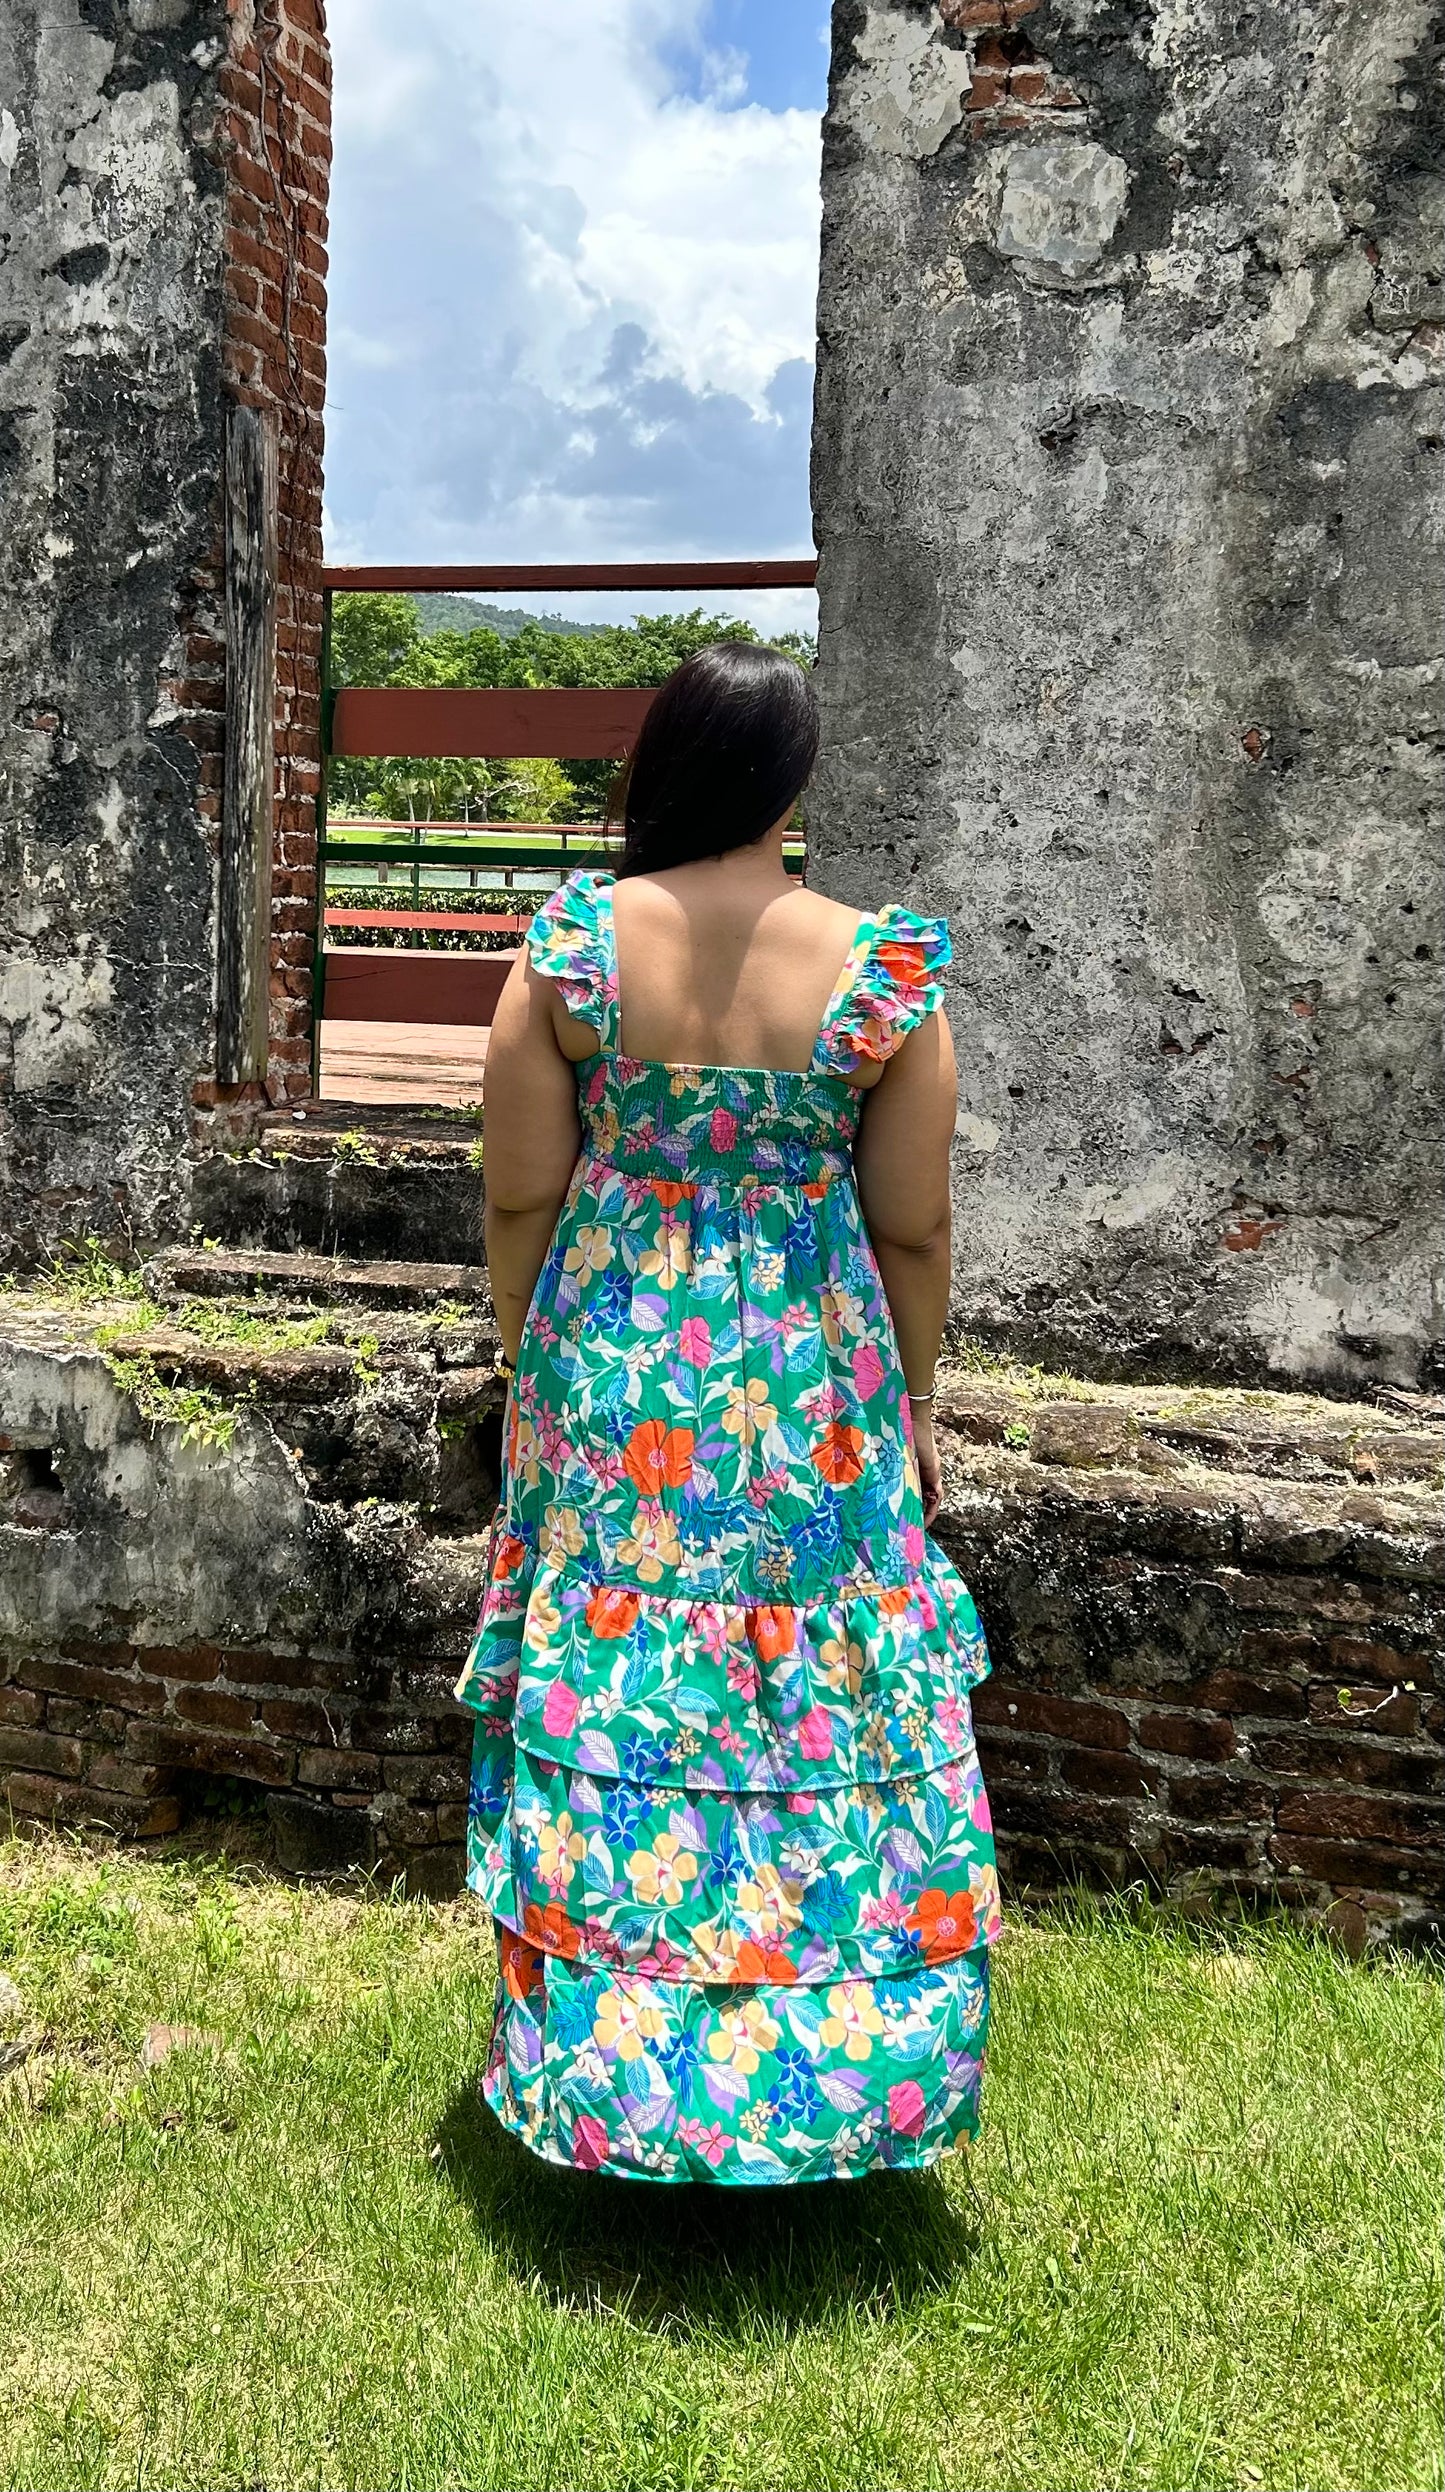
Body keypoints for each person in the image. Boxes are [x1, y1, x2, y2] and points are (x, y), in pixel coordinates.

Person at [456, 641, 1000, 2185]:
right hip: (815, 1382)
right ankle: (839, 2082)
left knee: (623, 1691)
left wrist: (530, 1369)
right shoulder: (880, 969)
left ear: (665, 764)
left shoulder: (573, 948)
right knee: (813, 1703)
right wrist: (909, 1405)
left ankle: (611, 2076)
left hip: (615, 1378)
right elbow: (911, 1227)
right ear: (791, 777)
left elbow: (518, 1193)